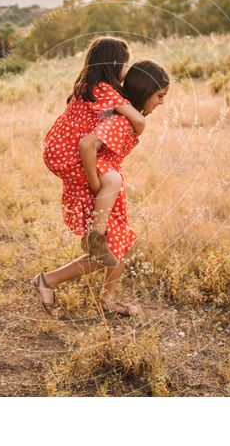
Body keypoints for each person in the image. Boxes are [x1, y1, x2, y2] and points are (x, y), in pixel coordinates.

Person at [33, 60, 170, 318]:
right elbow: (88, 144)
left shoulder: (124, 114)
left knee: (119, 243)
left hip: (109, 186)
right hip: (100, 189)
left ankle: (106, 300)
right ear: (145, 91)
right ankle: (47, 281)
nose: (161, 102)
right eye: (160, 95)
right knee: (105, 250)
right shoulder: (120, 120)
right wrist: (98, 186)